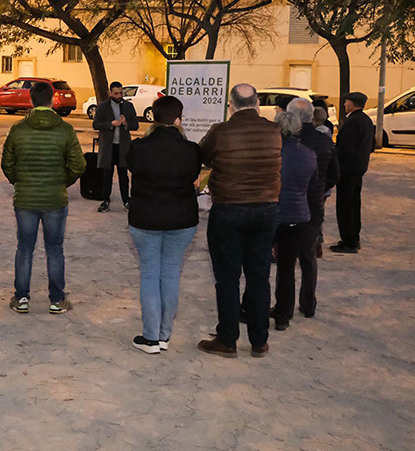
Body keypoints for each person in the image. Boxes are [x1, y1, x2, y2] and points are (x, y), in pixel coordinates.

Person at [197, 83, 281, 359]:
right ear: (257, 104)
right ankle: (259, 341)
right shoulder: (273, 131)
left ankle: (227, 339)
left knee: (227, 278)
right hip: (267, 210)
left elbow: (203, 156)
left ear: (230, 105)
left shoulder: (220, 132)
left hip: (229, 211)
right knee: (259, 277)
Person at [2, 81, 86, 314]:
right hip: (54, 199)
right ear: (53, 100)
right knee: (55, 249)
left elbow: (6, 163)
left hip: (25, 199)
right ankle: (57, 300)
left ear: (31, 100)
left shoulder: (18, 129)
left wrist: (19, 181)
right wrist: (63, 181)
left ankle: (21, 298)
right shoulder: (65, 130)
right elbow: (79, 165)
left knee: (24, 248)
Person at [126, 95, 201, 354]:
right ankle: (163, 335)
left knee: (149, 274)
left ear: (154, 118)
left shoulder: (139, 147)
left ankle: (150, 337)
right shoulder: (191, 150)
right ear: (179, 119)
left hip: (145, 219)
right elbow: (192, 176)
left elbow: (131, 168)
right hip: (181, 221)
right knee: (170, 276)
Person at [271, 109, 320, 331]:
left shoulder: (272, 153)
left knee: (261, 264)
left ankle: (259, 307)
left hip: (273, 214)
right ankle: (284, 313)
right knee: (287, 266)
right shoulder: (309, 154)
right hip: (299, 216)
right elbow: (314, 188)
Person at [287, 98, 338, 302]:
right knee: (308, 257)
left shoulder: (290, 140)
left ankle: (285, 307)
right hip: (315, 206)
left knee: (287, 260)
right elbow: (335, 174)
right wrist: (320, 190)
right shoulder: (324, 141)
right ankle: (308, 303)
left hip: (290, 206)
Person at [331, 91, 375, 253]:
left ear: (352, 104)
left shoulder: (352, 122)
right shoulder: (366, 121)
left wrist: (336, 163)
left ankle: (348, 241)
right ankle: (354, 238)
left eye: (346, 102)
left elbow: (344, 149)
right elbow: (372, 145)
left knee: (345, 205)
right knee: (354, 203)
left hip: (347, 169)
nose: (344, 105)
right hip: (359, 168)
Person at [92, 81, 139, 212]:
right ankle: (105, 200)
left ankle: (126, 200)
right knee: (107, 174)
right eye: (116, 93)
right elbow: (96, 125)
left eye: (121, 93)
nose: (119, 96)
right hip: (108, 146)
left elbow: (136, 125)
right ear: (110, 93)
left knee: (123, 174)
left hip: (123, 146)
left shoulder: (128, 106)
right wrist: (110, 124)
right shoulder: (102, 107)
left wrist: (126, 123)